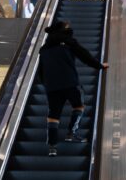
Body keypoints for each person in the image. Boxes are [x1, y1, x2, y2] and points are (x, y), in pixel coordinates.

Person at [39, 19, 107, 157]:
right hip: (69, 82)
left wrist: (46, 83)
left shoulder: (44, 48)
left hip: (51, 86)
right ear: (64, 29)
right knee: (79, 105)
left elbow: (41, 70)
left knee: (53, 115)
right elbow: (84, 55)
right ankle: (71, 133)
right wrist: (99, 65)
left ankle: (52, 147)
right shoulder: (69, 43)